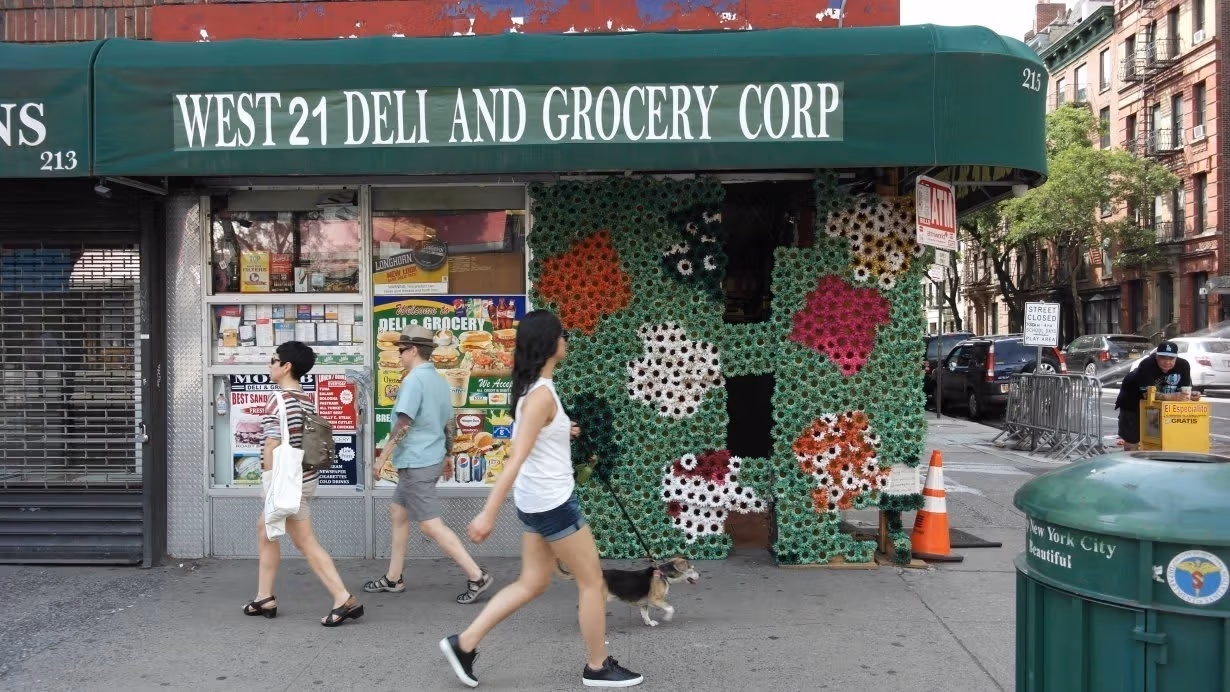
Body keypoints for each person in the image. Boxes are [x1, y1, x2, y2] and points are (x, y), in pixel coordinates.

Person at [439, 310, 644, 689]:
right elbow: (516, 457)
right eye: (563, 335)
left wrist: (566, 430)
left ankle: (464, 644)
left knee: (532, 583)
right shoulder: (540, 396)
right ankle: (597, 667)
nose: (567, 340)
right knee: (592, 582)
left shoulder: (536, 390)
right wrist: (487, 514)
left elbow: (537, 438)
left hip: (538, 503)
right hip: (553, 504)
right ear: (551, 344)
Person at [364, 325, 493, 604]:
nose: (398, 355)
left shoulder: (413, 381)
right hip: (430, 458)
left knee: (430, 525)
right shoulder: (438, 379)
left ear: (412, 350)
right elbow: (449, 421)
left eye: (401, 350)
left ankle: (476, 575)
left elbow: (404, 422)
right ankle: (393, 577)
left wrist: (382, 457)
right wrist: (447, 455)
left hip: (416, 462)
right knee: (398, 512)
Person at [243, 340, 364, 627]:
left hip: (287, 483)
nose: (269, 364)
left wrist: (268, 484)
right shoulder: (305, 399)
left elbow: (272, 444)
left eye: (273, 360)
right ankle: (264, 597)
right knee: (267, 532)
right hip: (304, 478)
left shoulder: (279, 400)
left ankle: (343, 598)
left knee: (304, 542)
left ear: (286, 367)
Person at [1115, 340, 1199, 451]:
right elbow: (1147, 395)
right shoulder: (1147, 364)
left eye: (1171, 359)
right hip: (1132, 399)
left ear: (1176, 358)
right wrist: (1172, 397)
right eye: (1163, 358)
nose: (1167, 362)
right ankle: (1129, 459)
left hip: (1159, 405)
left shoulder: (1183, 365)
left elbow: (1183, 390)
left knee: (1158, 434)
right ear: (1156, 356)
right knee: (1133, 436)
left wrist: (1191, 395)